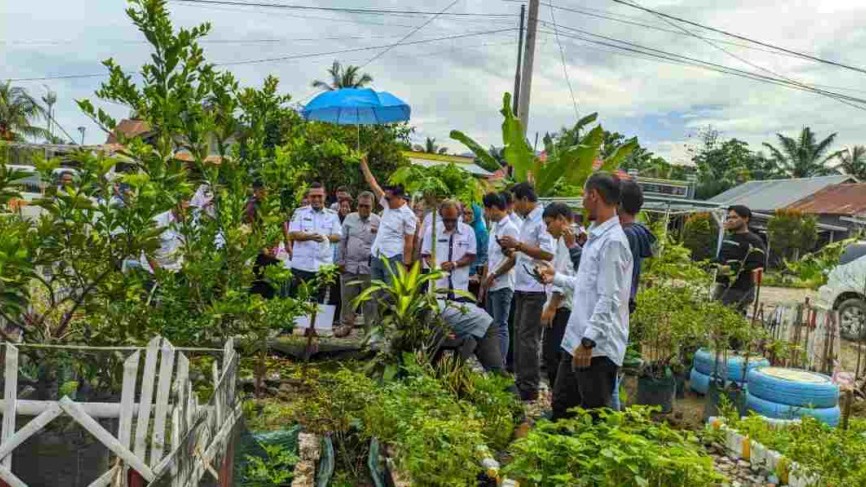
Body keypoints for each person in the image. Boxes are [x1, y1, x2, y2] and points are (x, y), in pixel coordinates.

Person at [538, 172, 633, 419]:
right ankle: (556, 454)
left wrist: (589, 341)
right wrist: (555, 277)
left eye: (583, 195)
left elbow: (609, 297)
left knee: (596, 417)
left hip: (596, 349)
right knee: (561, 406)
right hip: (577, 340)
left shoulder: (613, 242)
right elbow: (587, 285)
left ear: (594, 196)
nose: (581, 202)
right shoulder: (596, 237)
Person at [498, 182, 555, 402]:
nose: (513, 206)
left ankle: (529, 386)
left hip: (536, 287)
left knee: (528, 338)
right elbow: (526, 250)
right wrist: (512, 249)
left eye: (515, 201)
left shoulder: (542, 221)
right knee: (519, 334)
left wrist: (519, 246)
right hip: (521, 285)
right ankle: (521, 380)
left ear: (524, 199)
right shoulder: (525, 221)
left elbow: (548, 254)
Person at [359, 155, 416, 284]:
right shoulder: (387, 204)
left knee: (389, 296)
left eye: (389, 198)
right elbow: (372, 182)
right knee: (375, 295)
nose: (386, 199)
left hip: (393, 258)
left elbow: (409, 243)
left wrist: (406, 266)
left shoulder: (408, 215)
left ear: (400, 197)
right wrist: (363, 164)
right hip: (376, 255)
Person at [540, 203, 578, 388]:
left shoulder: (568, 239)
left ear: (561, 219)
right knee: (554, 355)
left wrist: (552, 306)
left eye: (549, 224)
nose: (547, 229)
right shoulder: (565, 239)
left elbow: (567, 273)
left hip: (563, 306)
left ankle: (560, 400)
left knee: (553, 355)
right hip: (562, 303)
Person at [286, 182, 342, 304]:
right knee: (297, 301)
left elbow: (338, 236)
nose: (316, 199)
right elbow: (291, 234)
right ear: (308, 197)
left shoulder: (332, 215)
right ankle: (297, 324)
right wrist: (309, 236)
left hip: (322, 267)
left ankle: (315, 324)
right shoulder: (300, 212)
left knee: (318, 303)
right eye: (313, 196)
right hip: (301, 265)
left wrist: (324, 237)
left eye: (319, 196)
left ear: (325, 196)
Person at [335, 191, 380, 337]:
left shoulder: (378, 221)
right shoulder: (349, 218)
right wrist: (340, 261)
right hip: (349, 265)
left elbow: (381, 244)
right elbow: (342, 241)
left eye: (367, 206)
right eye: (361, 206)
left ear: (372, 206)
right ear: (357, 206)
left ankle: (370, 329)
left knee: (369, 299)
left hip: (369, 267)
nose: (363, 209)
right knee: (347, 297)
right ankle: (346, 325)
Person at [482, 192, 519, 368]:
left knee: (500, 325)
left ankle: (500, 364)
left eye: (487, 210)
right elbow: (491, 257)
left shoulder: (510, 228)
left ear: (494, 208)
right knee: (491, 325)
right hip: (491, 282)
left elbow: (513, 259)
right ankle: (492, 361)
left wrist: (494, 274)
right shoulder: (495, 227)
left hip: (503, 283)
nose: (486, 214)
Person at [713, 205, 766, 314]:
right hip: (722, 287)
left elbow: (759, 265)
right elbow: (723, 257)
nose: (730, 220)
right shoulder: (729, 237)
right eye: (728, 218)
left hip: (740, 290)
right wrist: (715, 263)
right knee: (715, 321)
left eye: (734, 217)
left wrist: (737, 268)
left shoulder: (754, 241)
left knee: (730, 323)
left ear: (745, 219)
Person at [422, 200, 477, 299]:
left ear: (459, 215)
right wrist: (437, 268)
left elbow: (471, 255)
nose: (450, 224)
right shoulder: (432, 230)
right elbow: (426, 255)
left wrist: (455, 264)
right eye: (446, 220)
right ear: (441, 216)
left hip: (460, 289)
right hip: (437, 288)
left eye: (453, 220)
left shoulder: (468, 231)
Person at [619, 180, 656, 314]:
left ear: (619, 204)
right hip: (627, 299)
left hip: (619, 304)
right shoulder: (637, 231)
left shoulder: (627, 234)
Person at [463, 203, 489, 296]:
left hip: (474, 277)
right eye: (464, 213)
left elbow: (485, 253)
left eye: (470, 213)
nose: (466, 216)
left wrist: (476, 272)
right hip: (463, 273)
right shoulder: (464, 228)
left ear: (477, 214)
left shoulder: (481, 231)